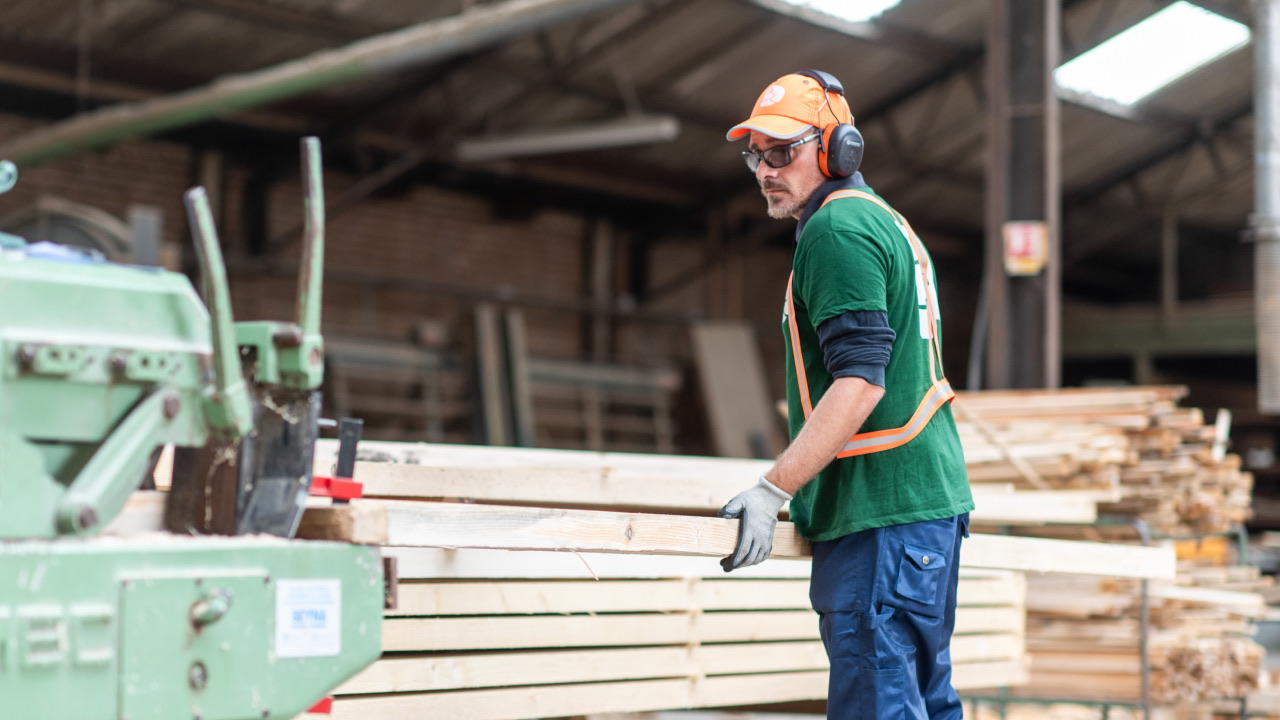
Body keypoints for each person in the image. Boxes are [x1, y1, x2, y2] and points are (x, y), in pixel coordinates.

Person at [717, 70, 975, 720]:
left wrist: (774, 488)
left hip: (879, 516)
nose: (765, 170)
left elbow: (859, 381)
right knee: (925, 704)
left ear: (839, 149)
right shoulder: (888, 223)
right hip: (920, 512)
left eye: (783, 151)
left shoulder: (836, 233)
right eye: (756, 153)